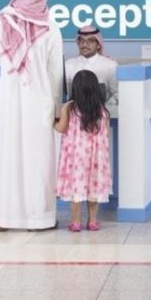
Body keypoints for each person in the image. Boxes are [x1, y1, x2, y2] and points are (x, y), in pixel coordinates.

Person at [0, 0, 64, 232]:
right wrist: (56, 107)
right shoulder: (50, 26)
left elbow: (4, 62)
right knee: (38, 160)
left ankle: (2, 217)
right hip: (39, 101)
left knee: (7, 155)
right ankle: (38, 219)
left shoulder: (1, 21)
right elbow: (55, 73)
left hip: (10, 99)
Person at [54, 69, 112, 232]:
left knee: (76, 189)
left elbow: (61, 128)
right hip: (96, 158)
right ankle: (92, 221)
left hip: (77, 157)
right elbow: (105, 134)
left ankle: (75, 222)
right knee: (94, 187)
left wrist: (53, 122)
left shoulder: (69, 108)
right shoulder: (102, 111)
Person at [64, 25, 118, 105]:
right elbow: (66, 95)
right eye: (81, 40)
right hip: (74, 111)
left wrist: (102, 108)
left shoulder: (110, 66)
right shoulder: (68, 65)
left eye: (90, 41)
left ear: (98, 44)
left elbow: (117, 94)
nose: (84, 45)